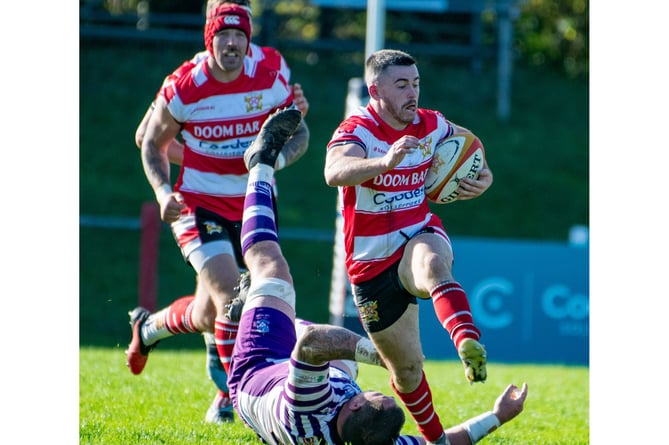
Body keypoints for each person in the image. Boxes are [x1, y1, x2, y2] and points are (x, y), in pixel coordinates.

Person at [227, 106, 527, 445]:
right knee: (338, 357)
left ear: (354, 406)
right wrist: (499, 416)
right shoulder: (374, 437)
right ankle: (255, 303)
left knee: (271, 268)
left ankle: (260, 163)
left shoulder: (305, 408)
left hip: (259, 368)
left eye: (370, 394)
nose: (371, 391)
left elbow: (312, 345)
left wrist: (380, 358)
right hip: (313, 372)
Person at [125, 2, 309, 425]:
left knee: (210, 314)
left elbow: (297, 131)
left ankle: (148, 329)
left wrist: (271, 161)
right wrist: (162, 190)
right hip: (198, 201)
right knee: (233, 294)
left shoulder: (272, 70)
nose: (231, 43)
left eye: (239, 34)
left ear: (249, 37)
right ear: (209, 38)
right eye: (223, 35)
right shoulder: (185, 85)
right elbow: (147, 140)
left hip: (253, 199)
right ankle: (238, 398)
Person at [323, 49, 494, 444]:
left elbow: (470, 154)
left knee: (432, 264)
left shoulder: (431, 124)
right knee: (406, 372)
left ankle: (467, 339)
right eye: (401, 85)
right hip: (369, 264)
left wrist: (482, 179)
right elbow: (334, 171)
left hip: (417, 231)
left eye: (415, 83)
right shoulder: (357, 130)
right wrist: (384, 161)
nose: (412, 93)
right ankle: (435, 440)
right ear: (375, 90)